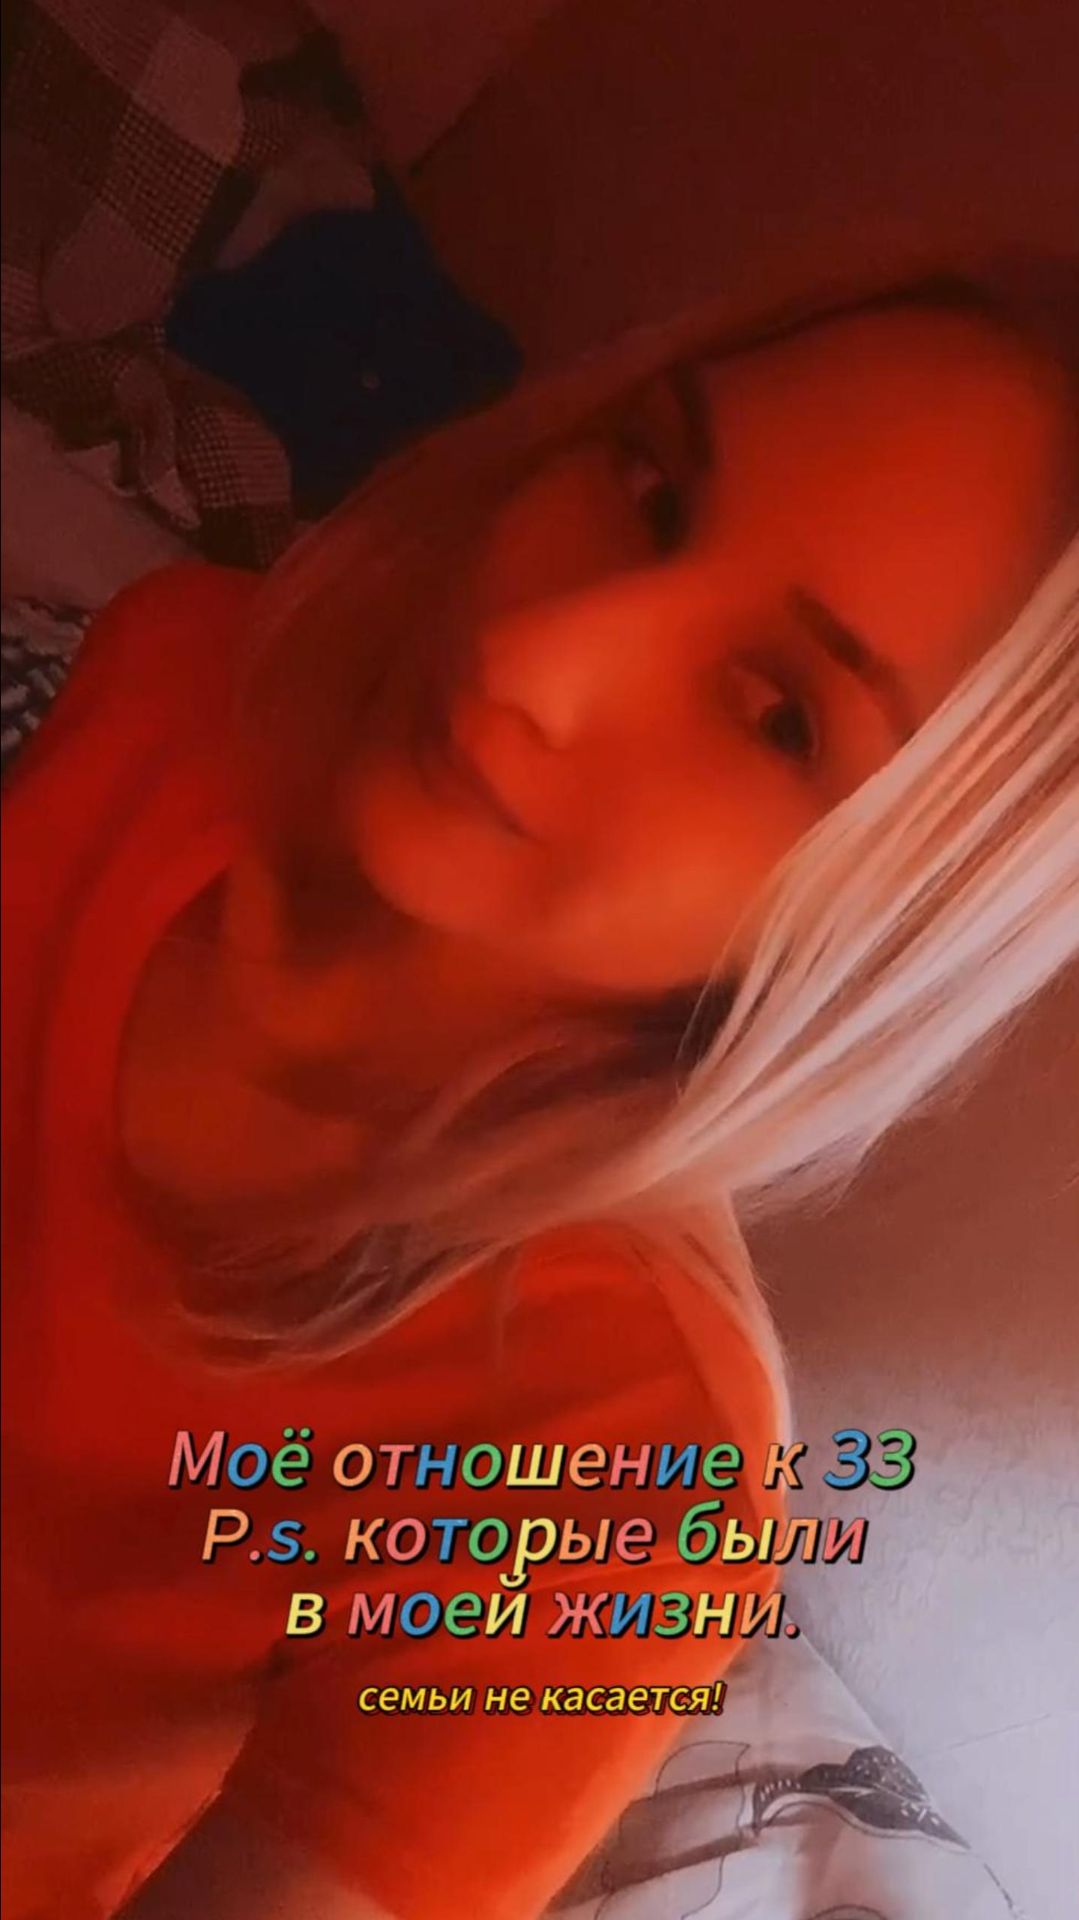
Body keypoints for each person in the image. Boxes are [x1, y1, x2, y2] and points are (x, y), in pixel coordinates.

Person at [3, 278, 1077, 1920]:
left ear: (888, 929)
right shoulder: (194, 673)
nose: (531, 654)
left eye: (777, 714)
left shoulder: (624, 1469)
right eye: (648, 489)